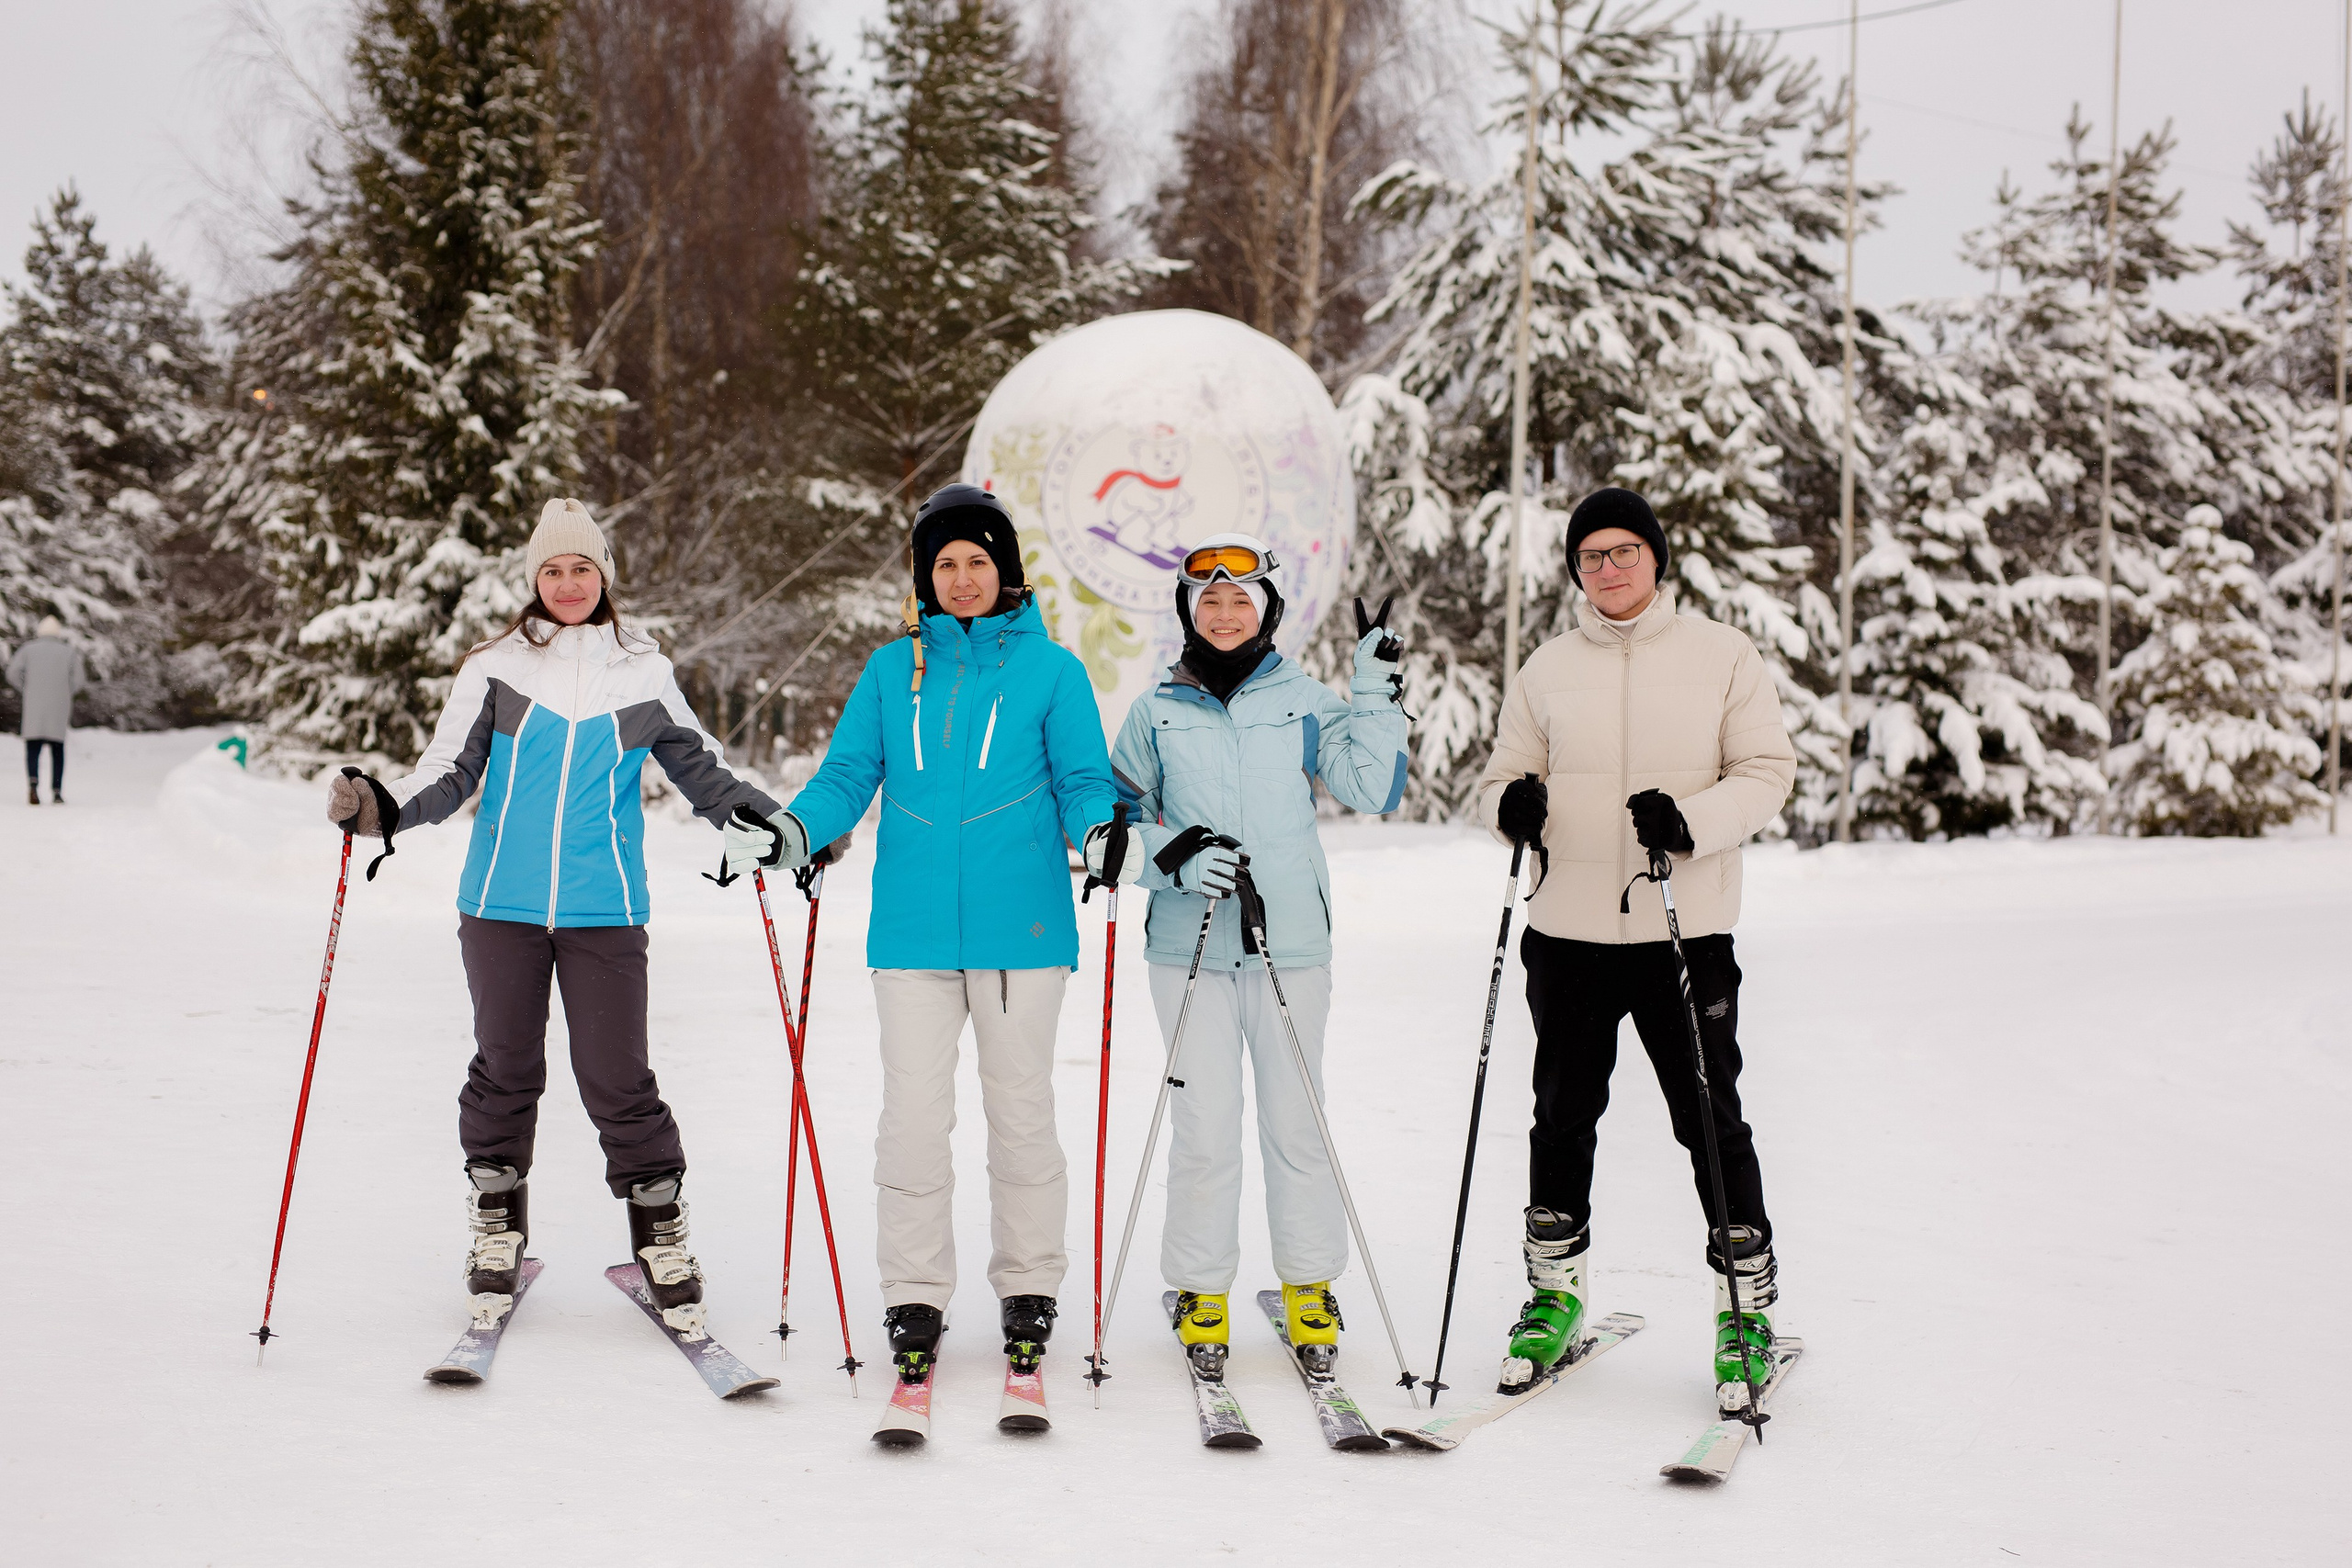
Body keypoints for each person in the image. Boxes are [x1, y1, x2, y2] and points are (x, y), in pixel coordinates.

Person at [325, 498, 786, 1335]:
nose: (568, 583)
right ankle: (497, 1230)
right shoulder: (495, 667)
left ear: (603, 576)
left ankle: (661, 1245)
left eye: (582, 569)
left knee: (618, 1077)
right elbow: (449, 770)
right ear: (533, 579)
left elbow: (704, 770)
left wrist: (768, 821)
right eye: (552, 569)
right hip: (498, 904)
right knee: (504, 1066)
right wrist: (381, 809)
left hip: (604, 908)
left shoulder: (644, 671)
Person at [727, 483, 1121, 1391]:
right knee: (910, 1120)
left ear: (1006, 569)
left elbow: (1082, 782)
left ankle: (1029, 1292)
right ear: (923, 576)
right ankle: (915, 1295)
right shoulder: (886, 671)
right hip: (908, 932)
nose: (962, 577)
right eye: (944, 563)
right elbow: (845, 778)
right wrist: (791, 830)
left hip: (1023, 931)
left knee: (1021, 1115)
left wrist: (1101, 833)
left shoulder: (1051, 672)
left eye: (978, 560)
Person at [1475, 487, 1796, 1410]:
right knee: (1560, 1116)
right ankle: (1552, 1294)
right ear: (1574, 570)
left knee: (1707, 1117)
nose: (1607, 570)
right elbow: (1499, 775)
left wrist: (1690, 821)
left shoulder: (1721, 655)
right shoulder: (1546, 666)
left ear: (1656, 558)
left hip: (1680, 929)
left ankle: (1745, 1304)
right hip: (1565, 929)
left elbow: (1767, 772)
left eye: (1623, 552)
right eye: (1590, 557)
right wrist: (1511, 808)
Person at [1104, 533, 1409, 1372]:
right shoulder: (1155, 711)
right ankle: (1200, 1289)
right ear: (1189, 610)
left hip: (1290, 946)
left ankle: (1309, 1284)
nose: (1227, 612)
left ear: (1268, 608)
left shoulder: (1307, 699)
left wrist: (1377, 697)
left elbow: (1372, 789)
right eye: (1210, 599)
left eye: (1243, 598)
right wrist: (1171, 854)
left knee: (1296, 1121)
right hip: (1188, 949)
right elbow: (1105, 823)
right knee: (1202, 1128)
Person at [8, 615, 85, 806]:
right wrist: (65, 692)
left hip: (34, 706)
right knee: (57, 750)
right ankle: (57, 791)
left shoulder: (28, 650)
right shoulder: (68, 652)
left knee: (33, 748)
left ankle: (33, 785)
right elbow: (79, 680)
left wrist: (26, 688)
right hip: (58, 707)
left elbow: (12, 673)